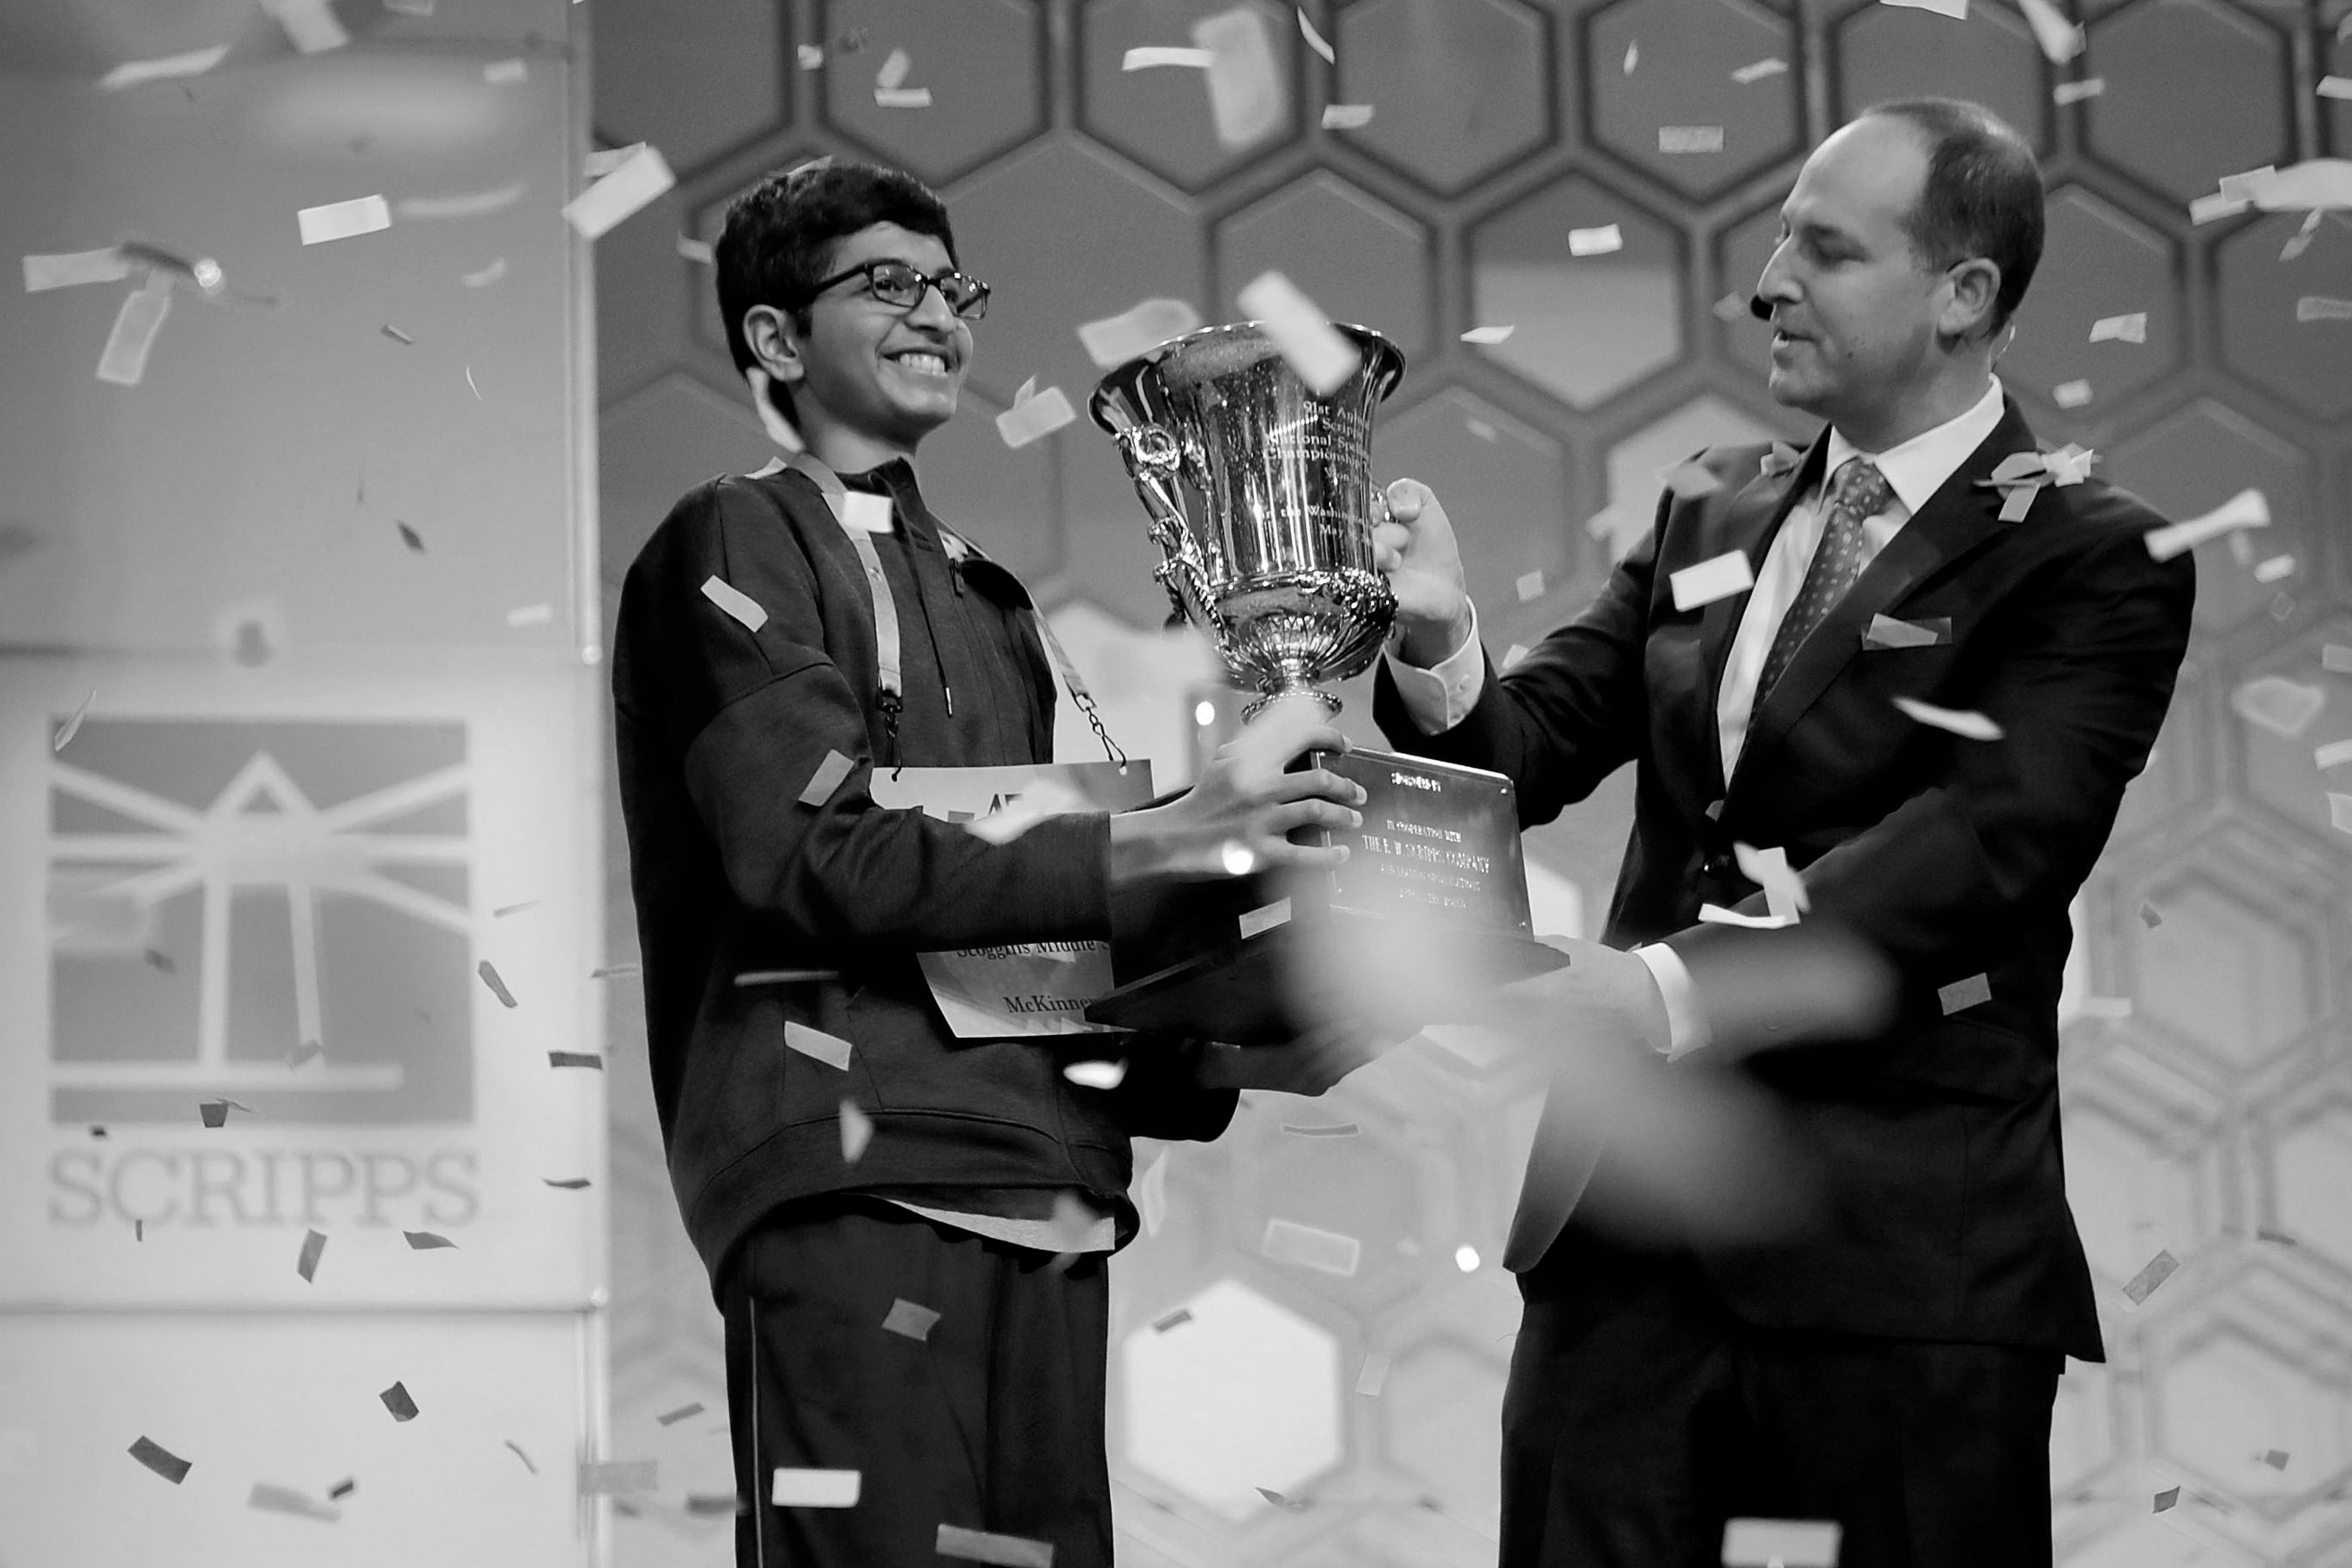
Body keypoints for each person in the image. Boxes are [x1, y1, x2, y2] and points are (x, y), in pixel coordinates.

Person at [1371, 100, 2195, 1566]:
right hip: (1625, 1254)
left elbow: (1982, 839)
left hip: (1893, 1269)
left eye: (1825, 249)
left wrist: (1667, 986)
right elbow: (1529, 747)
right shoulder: (1711, 507)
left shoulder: (2088, 554)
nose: (1767, 281)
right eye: (1774, 240)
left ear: (1963, 295)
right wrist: (1440, 643)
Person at [610, 159, 1369, 1568]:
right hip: (851, 1177)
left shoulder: (986, 592)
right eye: (885, 281)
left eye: (950, 285)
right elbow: (810, 847)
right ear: (775, 339)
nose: (937, 313)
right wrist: (1149, 839)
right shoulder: (733, 534)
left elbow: (1023, 957)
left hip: (1041, 1185)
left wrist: (1240, 1048)